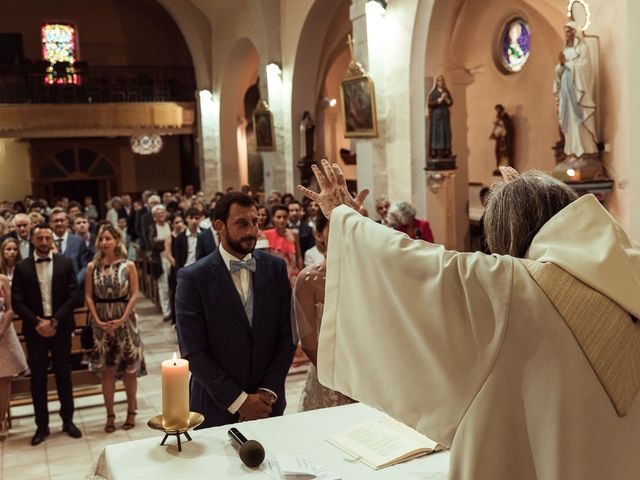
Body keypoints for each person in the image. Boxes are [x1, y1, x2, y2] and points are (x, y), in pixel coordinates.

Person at [298, 160, 640, 480]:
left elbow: (413, 266)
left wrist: (345, 217)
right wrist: (526, 199)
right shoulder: (628, 272)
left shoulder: (511, 286)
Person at [175, 192, 296, 428]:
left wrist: (267, 393)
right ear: (219, 225)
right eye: (241, 223)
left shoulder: (275, 268)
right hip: (215, 406)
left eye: (255, 222)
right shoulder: (193, 278)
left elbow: (288, 335)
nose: (251, 231)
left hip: (267, 405)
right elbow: (193, 351)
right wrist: (240, 401)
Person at [11, 223, 81, 445]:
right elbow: (17, 301)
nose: (43, 242)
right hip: (35, 330)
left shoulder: (65, 263)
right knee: (38, 379)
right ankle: (42, 426)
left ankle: (68, 421)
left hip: (60, 328)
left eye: (46, 238)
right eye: (39, 238)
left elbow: (73, 296)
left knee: (64, 375)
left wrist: (56, 320)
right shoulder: (22, 267)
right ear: (33, 240)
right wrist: (37, 323)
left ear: (52, 240)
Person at [85, 223, 145, 433]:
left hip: (125, 321)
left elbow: (135, 294)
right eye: (101, 239)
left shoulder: (128, 265)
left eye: (108, 238)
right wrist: (97, 320)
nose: (104, 242)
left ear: (117, 240)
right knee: (107, 371)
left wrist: (122, 318)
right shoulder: (93, 266)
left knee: (129, 370)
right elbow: (88, 296)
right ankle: (110, 415)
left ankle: (131, 412)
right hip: (101, 323)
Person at [293, 212, 354, 411]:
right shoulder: (308, 280)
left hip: (369, 375)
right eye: (335, 228)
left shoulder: (370, 275)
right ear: (319, 234)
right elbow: (309, 342)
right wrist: (340, 379)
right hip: (328, 376)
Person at [553, 21, 598, 158]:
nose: (566, 34)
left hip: (577, 89)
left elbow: (585, 67)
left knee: (579, 117)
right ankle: (572, 150)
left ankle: (584, 150)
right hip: (566, 88)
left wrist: (567, 65)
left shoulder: (582, 48)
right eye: (565, 32)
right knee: (568, 119)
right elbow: (558, 72)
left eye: (568, 31)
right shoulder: (565, 50)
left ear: (574, 32)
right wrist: (561, 66)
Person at [0, 273, 28, 440]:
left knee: (4, 378)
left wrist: (2, 330)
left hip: (3, 332)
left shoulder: (2, 279)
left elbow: (11, 308)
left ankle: (2, 419)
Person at [263, 205, 303, 285]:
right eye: (278, 217)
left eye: (285, 217)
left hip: (292, 276)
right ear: (273, 218)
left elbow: (299, 256)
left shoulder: (294, 234)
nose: (282, 220)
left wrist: (301, 275)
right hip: (273, 275)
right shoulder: (266, 234)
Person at [148, 205, 173, 321]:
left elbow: (176, 240)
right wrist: (167, 241)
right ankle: (166, 311)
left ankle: (173, 310)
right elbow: (153, 245)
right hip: (160, 259)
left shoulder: (170, 225)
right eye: (158, 214)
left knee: (172, 285)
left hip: (172, 257)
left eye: (162, 213)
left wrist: (162, 240)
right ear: (154, 217)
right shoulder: (152, 228)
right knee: (163, 286)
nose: (161, 215)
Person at [427, 75, 453, 158]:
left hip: (445, 115)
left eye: (441, 80)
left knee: (446, 132)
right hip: (437, 116)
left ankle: (446, 150)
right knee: (438, 133)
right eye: (438, 80)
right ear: (436, 82)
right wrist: (440, 99)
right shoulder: (433, 93)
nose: (440, 82)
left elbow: (451, 102)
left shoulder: (446, 91)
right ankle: (438, 151)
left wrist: (446, 99)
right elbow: (430, 104)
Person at [489, 104, 515, 174]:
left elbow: (503, 128)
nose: (497, 111)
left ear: (501, 109)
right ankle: (499, 167)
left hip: (504, 139)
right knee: (498, 152)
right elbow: (498, 127)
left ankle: (505, 167)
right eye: (496, 110)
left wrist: (495, 134)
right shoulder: (499, 118)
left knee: (503, 153)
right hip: (500, 139)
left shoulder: (504, 117)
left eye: (498, 109)